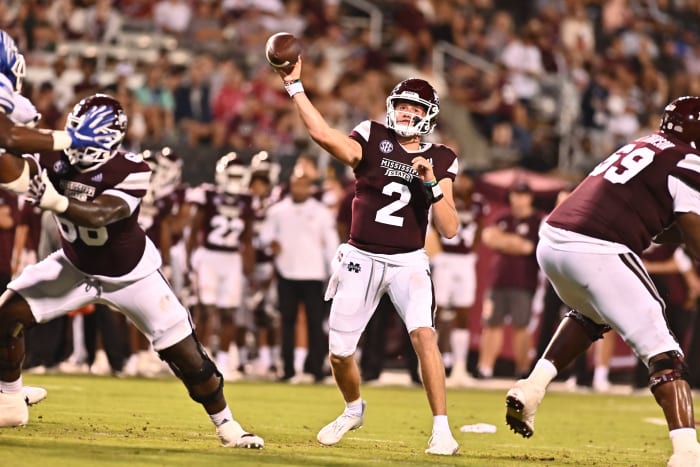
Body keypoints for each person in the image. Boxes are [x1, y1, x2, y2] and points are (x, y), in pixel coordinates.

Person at [0, 92, 264, 449]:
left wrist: (51, 199)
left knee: (190, 360)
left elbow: (102, 213)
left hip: (132, 275)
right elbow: (10, 162)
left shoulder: (132, 168)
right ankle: (11, 400)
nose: (78, 147)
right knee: (7, 313)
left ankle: (228, 425)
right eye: (74, 134)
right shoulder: (55, 155)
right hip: (75, 265)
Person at [273, 55, 460, 455]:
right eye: (403, 106)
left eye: (415, 108)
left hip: (409, 260)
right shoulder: (372, 136)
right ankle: (353, 409)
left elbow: (449, 227)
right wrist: (295, 87)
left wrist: (432, 185)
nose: (407, 113)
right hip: (360, 256)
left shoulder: (441, 158)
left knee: (424, 335)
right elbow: (324, 136)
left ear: (429, 116)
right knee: (339, 354)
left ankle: (442, 429)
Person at [505, 96, 700, 467]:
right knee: (664, 353)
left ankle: (532, 387)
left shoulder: (646, 145)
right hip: (598, 247)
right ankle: (688, 452)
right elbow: (696, 242)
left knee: (593, 314)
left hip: (554, 242)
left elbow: (660, 229)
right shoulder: (688, 160)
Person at [259, 170, 338, 383]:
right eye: (295, 185)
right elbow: (265, 237)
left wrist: (334, 270)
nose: (299, 190)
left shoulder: (321, 212)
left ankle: (316, 368)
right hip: (286, 272)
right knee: (287, 321)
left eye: (303, 185)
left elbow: (330, 242)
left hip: (313, 273)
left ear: (310, 188)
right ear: (290, 186)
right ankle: (288, 368)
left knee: (315, 322)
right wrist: (270, 244)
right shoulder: (278, 211)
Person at [476, 180, 543, 379]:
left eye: (522, 194)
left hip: (523, 282)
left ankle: (522, 370)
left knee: (521, 326)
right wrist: (514, 243)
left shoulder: (537, 221)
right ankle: (484, 368)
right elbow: (488, 237)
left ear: (530, 197)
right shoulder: (503, 217)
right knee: (491, 324)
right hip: (498, 280)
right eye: (515, 194)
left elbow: (528, 248)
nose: (519, 199)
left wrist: (504, 241)